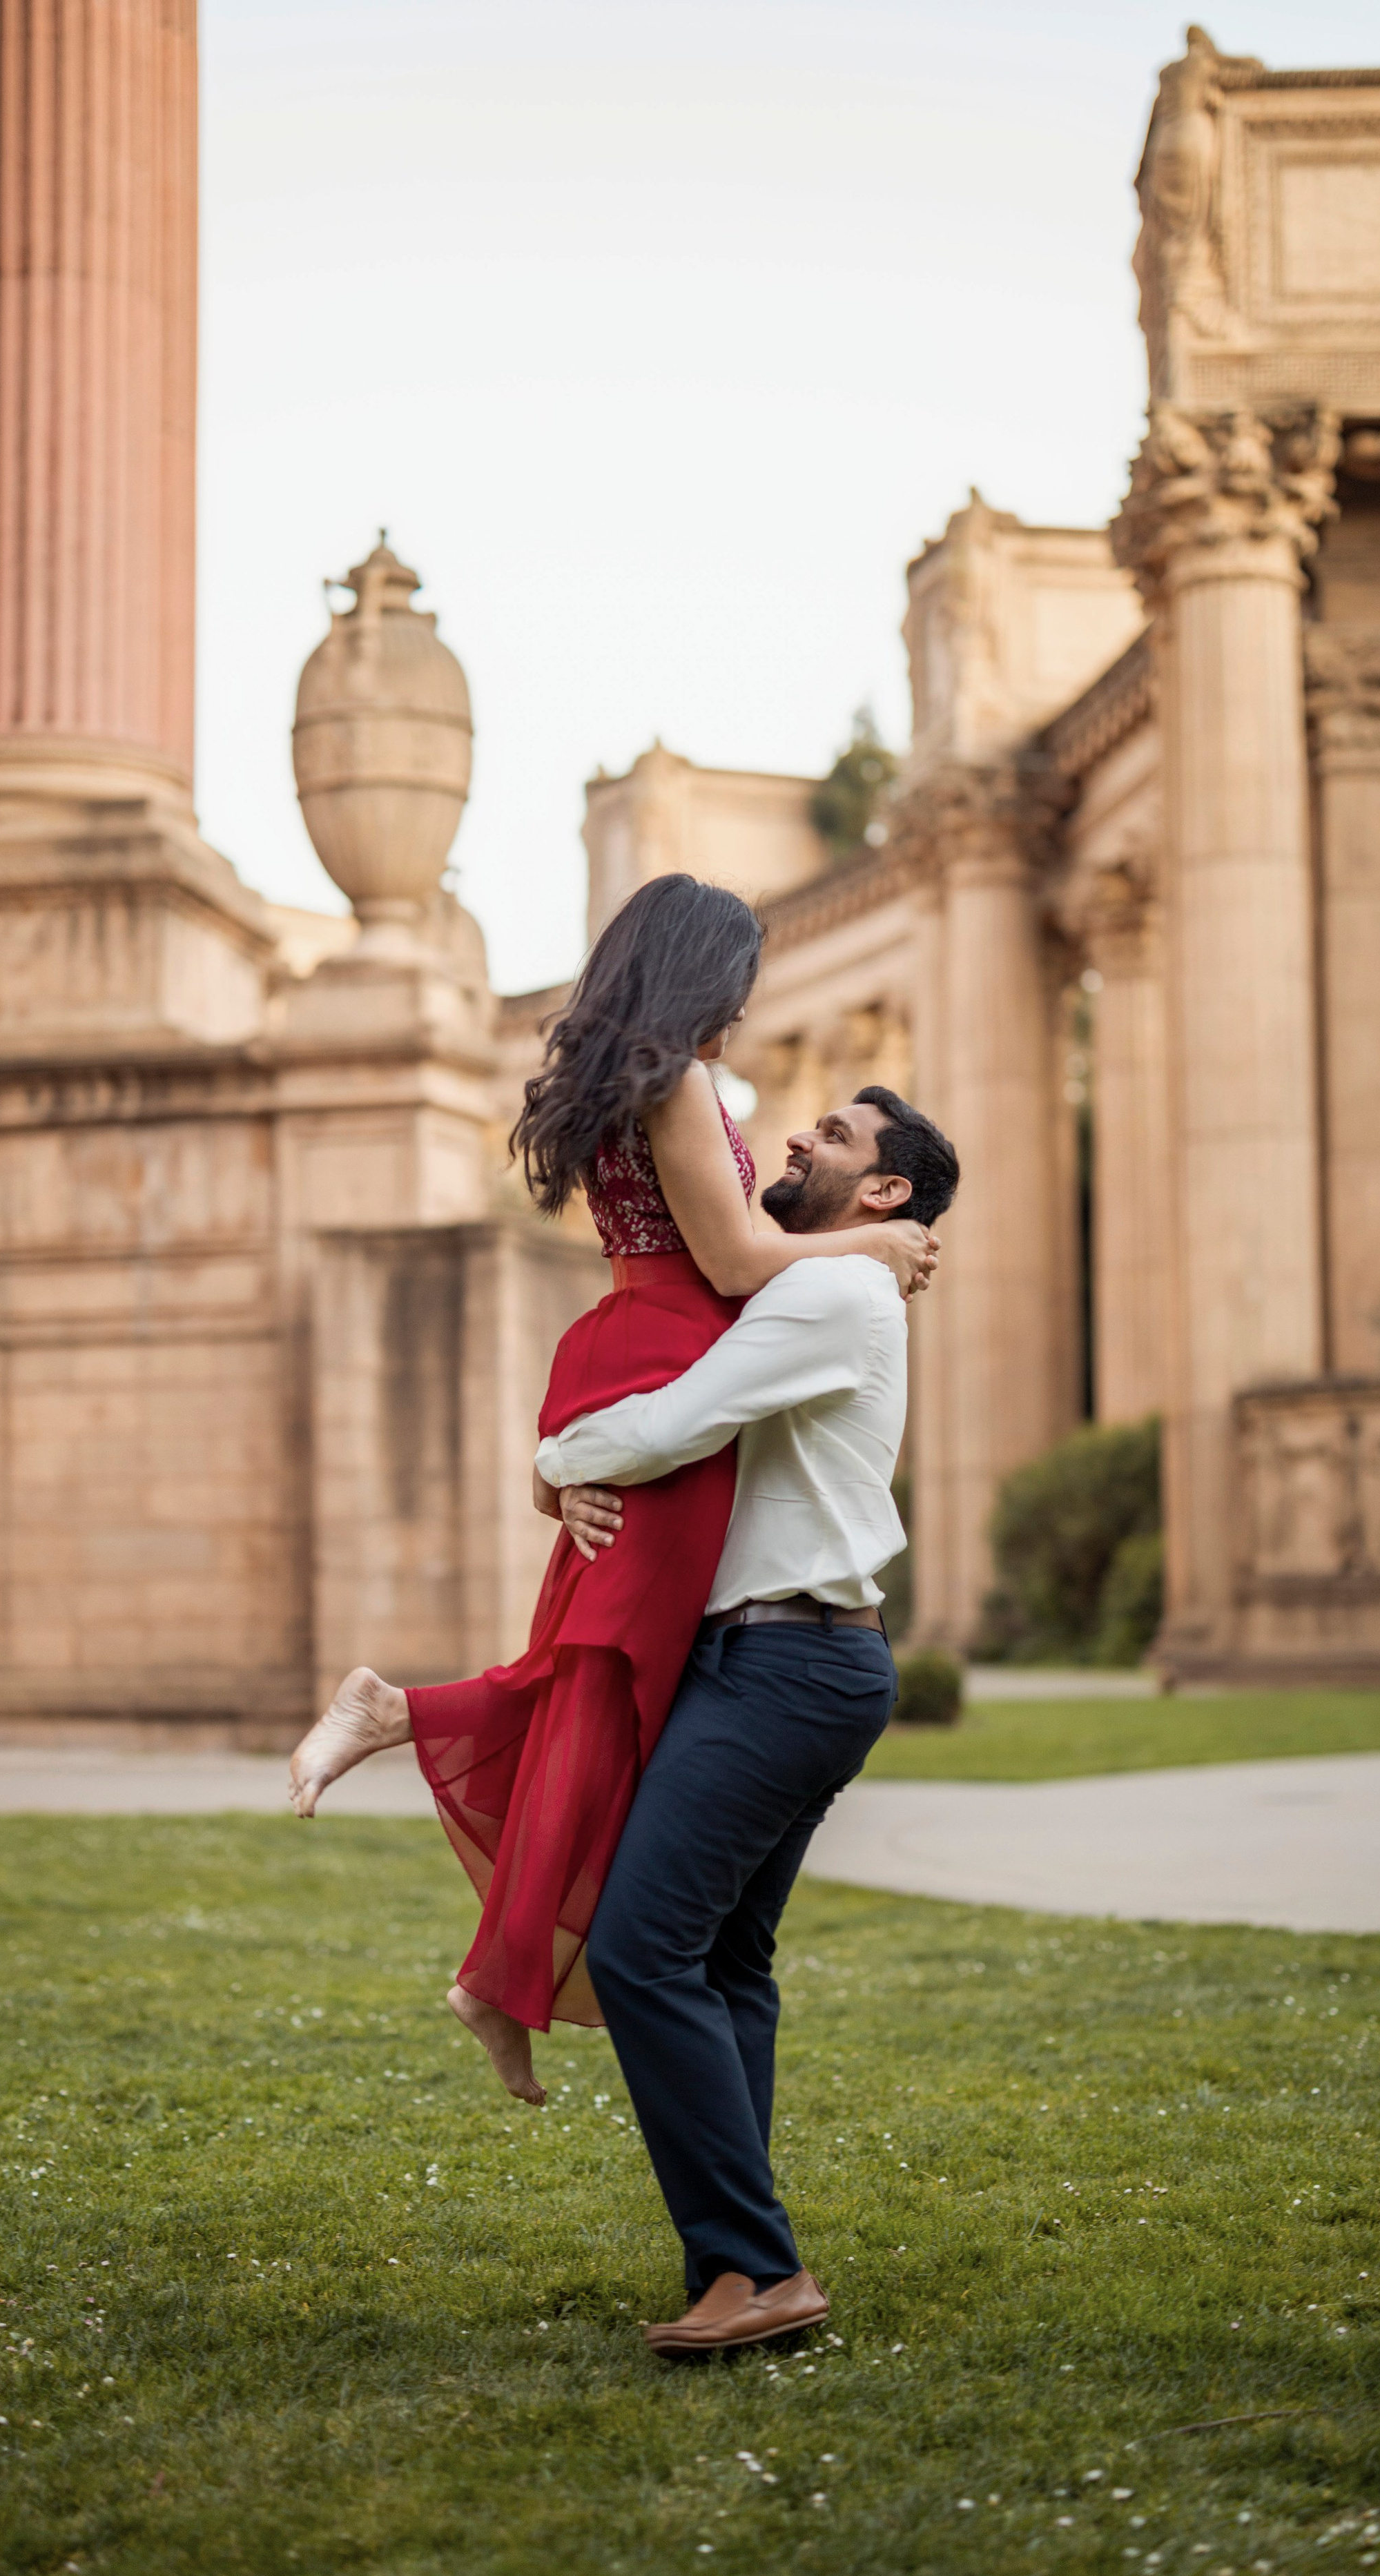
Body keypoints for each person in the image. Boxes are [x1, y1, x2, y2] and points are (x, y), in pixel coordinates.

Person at [288, 876, 936, 2112]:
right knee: (610, 1667)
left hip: (645, 1352)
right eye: (740, 984)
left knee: (598, 1658)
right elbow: (734, 1260)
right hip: (675, 1357)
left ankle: (448, 1838)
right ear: (704, 973)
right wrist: (871, 1240)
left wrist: (566, 1456)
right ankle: (489, 1945)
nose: (744, 1013)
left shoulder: (634, 1082)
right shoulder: (678, 1083)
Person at [537, 1084, 958, 2353]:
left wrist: (553, 1461)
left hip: (785, 1663)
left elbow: (673, 1427)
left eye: (834, 1136)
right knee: (724, 1965)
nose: (796, 1137)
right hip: (793, 1656)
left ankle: (760, 2268)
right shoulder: (822, 1279)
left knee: (640, 1949)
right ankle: (733, 2260)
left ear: (885, 1192)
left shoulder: (835, 1293)